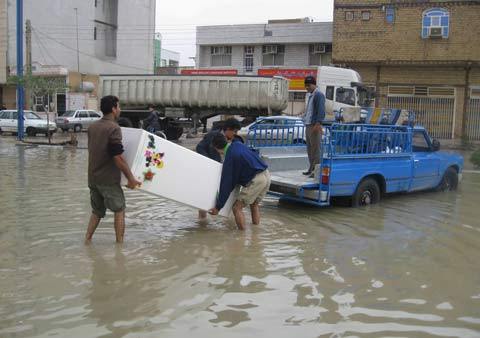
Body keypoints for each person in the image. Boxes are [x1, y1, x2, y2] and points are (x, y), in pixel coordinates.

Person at [85, 95, 141, 244]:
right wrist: (130, 178)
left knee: (97, 211)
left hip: (93, 177)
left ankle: (87, 240)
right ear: (113, 109)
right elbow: (117, 157)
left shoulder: (93, 127)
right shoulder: (114, 128)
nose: (120, 109)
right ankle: (119, 246)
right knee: (119, 209)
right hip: (108, 179)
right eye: (119, 106)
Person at [208, 133, 271, 230]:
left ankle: (241, 238)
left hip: (256, 180)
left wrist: (218, 207)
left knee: (236, 208)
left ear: (216, 148)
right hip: (266, 174)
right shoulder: (237, 144)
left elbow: (226, 185)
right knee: (254, 204)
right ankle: (256, 234)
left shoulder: (230, 158)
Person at [196, 118, 241, 220]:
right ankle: (202, 222)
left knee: (226, 196)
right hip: (210, 171)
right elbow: (199, 147)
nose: (235, 134)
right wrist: (209, 162)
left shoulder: (234, 140)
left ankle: (226, 218)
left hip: (224, 172)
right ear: (228, 129)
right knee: (205, 197)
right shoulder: (212, 135)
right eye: (234, 131)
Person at [303, 76, 326, 177]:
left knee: (316, 149)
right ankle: (311, 169)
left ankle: (316, 172)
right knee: (310, 149)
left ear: (313, 84)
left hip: (314, 125)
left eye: (308, 85)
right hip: (308, 124)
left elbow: (321, 110)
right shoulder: (311, 95)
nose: (306, 88)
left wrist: (318, 123)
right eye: (306, 86)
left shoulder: (318, 95)